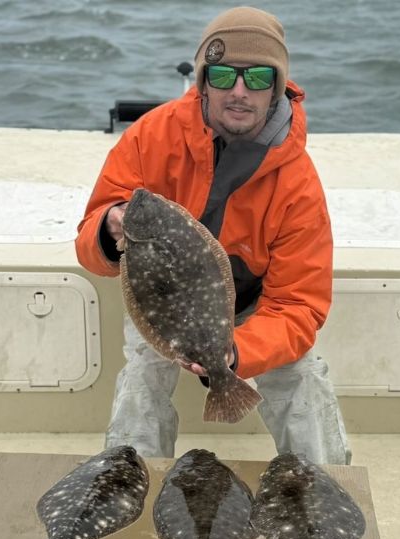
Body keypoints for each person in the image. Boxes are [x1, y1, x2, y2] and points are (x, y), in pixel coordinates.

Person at [75, 6, 349, 465]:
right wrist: (109, 226)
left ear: (277, 87)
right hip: (167, 304)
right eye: (223, 75)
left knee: (302, 377)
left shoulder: (298, 182)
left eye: (259, 77)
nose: (239, 92)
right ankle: (130, 484)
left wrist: (235, 352)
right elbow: (89, 244)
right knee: (143, 374)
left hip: (255, 305)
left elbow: (299, 305)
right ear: (203, 81)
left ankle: (326, 484)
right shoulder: (149, 137)